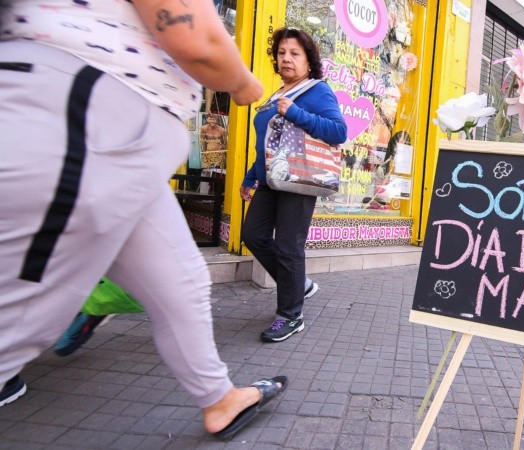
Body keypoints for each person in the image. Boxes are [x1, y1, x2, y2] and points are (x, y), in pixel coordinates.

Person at [0, 0, 287, 439]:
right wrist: (247, 85)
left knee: (181, 280)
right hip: (83, 120)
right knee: (21, 319)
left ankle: (218, 397)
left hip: (112, 139)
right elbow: (200, 41)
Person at [240, 27, 347, 343]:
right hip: (272, 179)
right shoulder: (277, 93)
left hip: (299, 179)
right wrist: (250, 177)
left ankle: (290, 315)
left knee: (288, 246)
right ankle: (298, 285)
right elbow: (269, 144)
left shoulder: (316, 91)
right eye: (282, 52)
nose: (286, 58)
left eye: (294, 53)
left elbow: (338, 132)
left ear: (308, 61)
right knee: (254, 236)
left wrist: (297, 113)